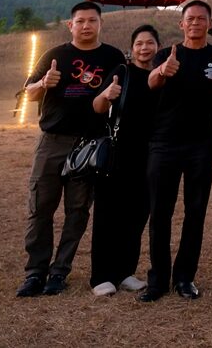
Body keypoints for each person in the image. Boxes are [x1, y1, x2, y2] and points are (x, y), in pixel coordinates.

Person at [16, 2, 126, 297]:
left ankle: (59, 272)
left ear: (101, 23)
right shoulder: (55, 55)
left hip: (90, 144)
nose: (86, 26)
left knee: (77, 210)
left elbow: (124, 98)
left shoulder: (113, 57)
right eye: (80, 21)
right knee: (40, 208)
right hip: (52, 142)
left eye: (92, 20)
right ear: (70, 25)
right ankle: (35, 272)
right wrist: (42, 82)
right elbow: (29, 93)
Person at [138, 0, 212, 302]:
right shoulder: (165, 55)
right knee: (160, 212)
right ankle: (157, 280)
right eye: (189, 19)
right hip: (163, 143)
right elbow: (150, 84)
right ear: (181, 24)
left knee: (195, 212)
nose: (195, 23)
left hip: (201, 145)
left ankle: (184, 278)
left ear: (210, 23)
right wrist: (163, 71)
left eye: (201, 19)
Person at [88, 24, 159, 296]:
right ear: (132, 48)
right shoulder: (123, 72)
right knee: (108, 214)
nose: (144, 48)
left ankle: (125, 271)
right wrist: (106, 95)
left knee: (138, 214)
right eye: (140, 43)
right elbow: (96, 107)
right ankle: (100, 277)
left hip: (148, 155)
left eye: (150, 43)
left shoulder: (159, 75)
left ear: (157, 47)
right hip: (118, 153)